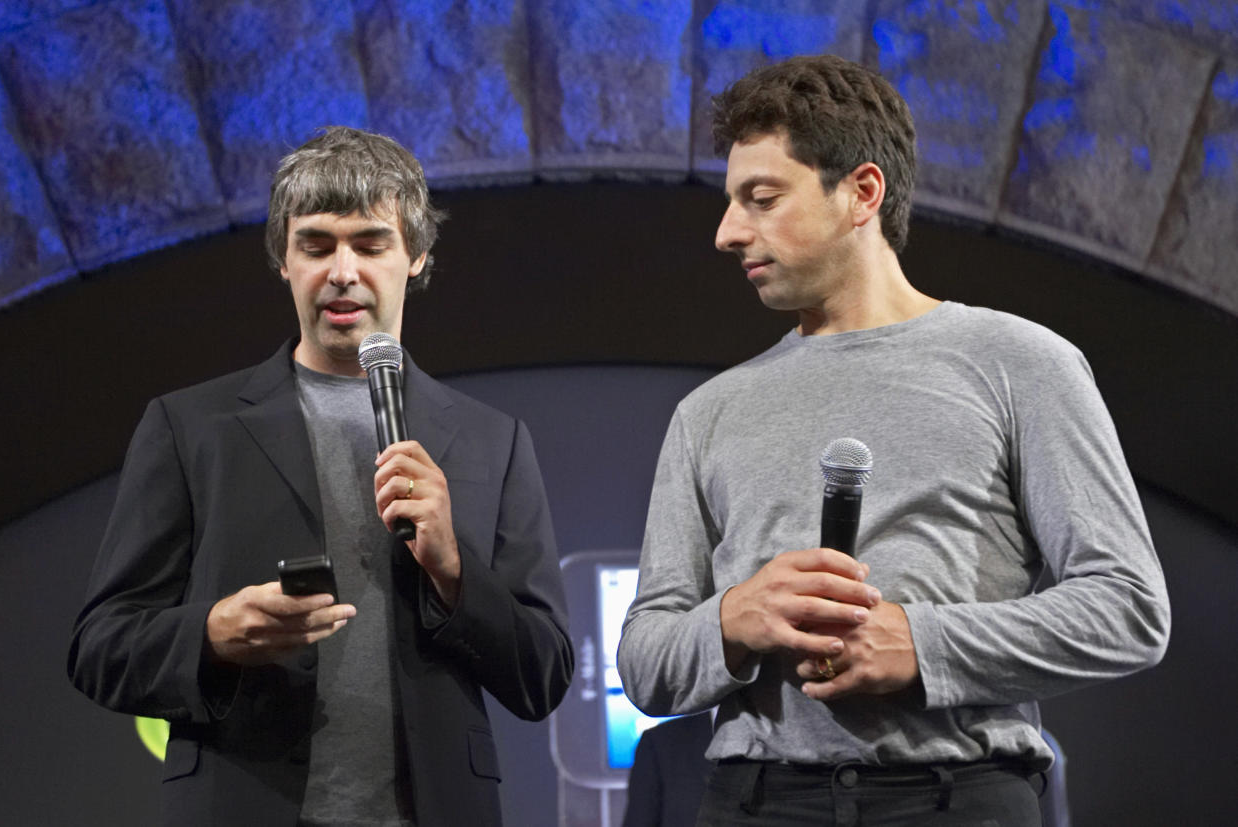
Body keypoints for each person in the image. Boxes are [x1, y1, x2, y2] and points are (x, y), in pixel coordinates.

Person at [616, 55, 1169, 826]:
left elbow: (1129, 607)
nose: (727, 231)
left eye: (762, 198)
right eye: (731, 202)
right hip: (756, 801)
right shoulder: (708, 412)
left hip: (960, 796)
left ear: (862, 193)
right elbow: (644, 659)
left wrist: (924, 642)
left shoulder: (1020, 363)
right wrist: (737, 616)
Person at [68, 126, 573, 826]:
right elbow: (100, 646)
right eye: (316, 245)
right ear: (284, 259)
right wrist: (212, 633)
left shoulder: (493, 440)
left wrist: (454, 570)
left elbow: (543, 673)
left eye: (370, 244)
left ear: (415, 256)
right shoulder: (190, 427)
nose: (342, 270)